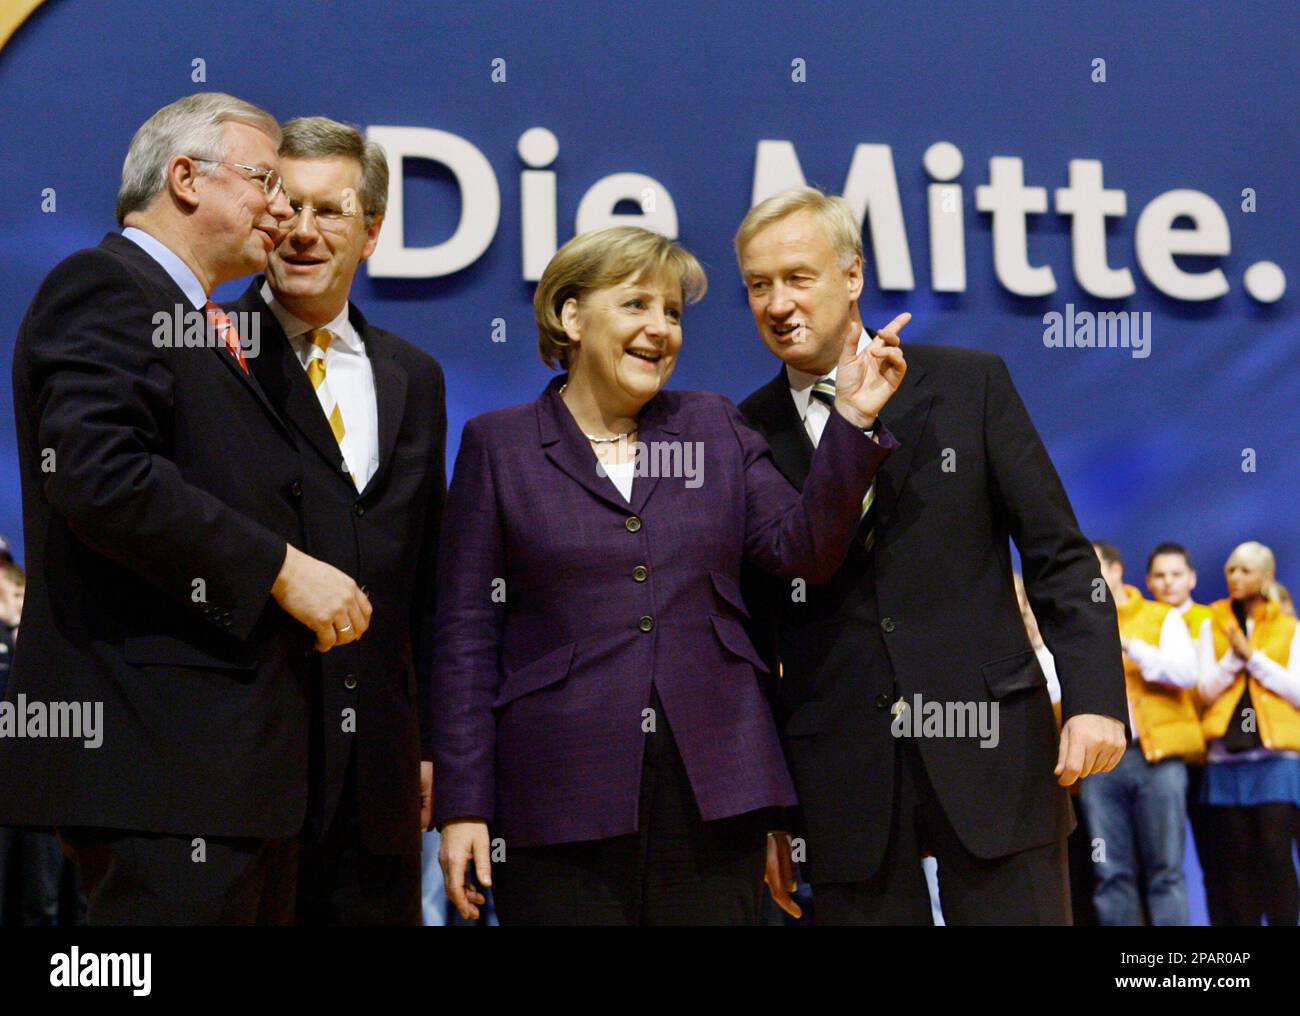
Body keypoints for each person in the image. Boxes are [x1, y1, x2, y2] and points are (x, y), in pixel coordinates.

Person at [433, 225, 904, 925]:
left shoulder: (713, 426)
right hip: (557, 794)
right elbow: (466, 635)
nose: (661, 329)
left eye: (674, 313)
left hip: (716, 790)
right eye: (636, 307)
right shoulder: (499, 445)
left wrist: (854, 421)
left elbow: (800, 549)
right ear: (570, 317)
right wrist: (464, 804)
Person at [0, 93, 372, 925]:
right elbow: (100, 476)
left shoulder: (210, 326)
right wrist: (280, 569)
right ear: (185, 179)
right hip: (156, 766)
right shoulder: (104, 284)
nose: (282, 209)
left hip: (226, 777)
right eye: (265, 181)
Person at [736, 186, 1127, 925]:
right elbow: (750, 636)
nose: (777, 304)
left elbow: (1060, 557)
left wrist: (1096, 698)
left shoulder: (968, 383)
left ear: (852, 276)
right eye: (758, 285)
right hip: (842, 782)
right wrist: (768, 807)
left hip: (998, 755)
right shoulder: (740, 432)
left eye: (797, 277)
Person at [228, 116, 446, 925]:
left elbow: (424, 579)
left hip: (380, 785)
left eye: (332, 212)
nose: (303, 232)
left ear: (372, 233)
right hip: (250, 771)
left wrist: (428, 746)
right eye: (288, 204)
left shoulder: (414, 377)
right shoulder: (211, 350)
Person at [1083, 542, 1199, 925]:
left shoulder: (1160, 617)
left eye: (1095, 565)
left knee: (1165, 869)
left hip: (1157, 758)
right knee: (1110, 871)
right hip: (1100, 762)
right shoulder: (1078, 623)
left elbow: (1185, 673)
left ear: (1117, 570)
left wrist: (1131, 647)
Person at [1197, 541, 1300, 926]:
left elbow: (1297, 690)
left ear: (1267, 576)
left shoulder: (1290, 627)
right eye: (1231, 571)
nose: (1236, 578)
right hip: (1226, 759)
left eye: (1245, 570)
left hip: (1276, 758)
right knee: (1236, 861)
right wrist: (1232, 658)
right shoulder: (1214, 622)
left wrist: (1253, 658)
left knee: (1275, 854)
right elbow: (1205, 689)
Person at [1144, 541, 1223, 923]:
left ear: (1192, 578)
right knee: (1162, 858)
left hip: (1211, 753)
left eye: (1176, 574)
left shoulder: (1211, 622)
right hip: (1161, 754)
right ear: (1148, 581)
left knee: (1218, 855)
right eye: (1159, 575)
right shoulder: (1145, 621)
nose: (1168, 582)